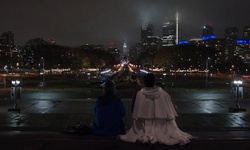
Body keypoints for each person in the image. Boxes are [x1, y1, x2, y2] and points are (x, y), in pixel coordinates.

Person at [119, 73, 193, 145]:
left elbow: (134, 110)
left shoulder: (139, 94)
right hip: (162, 124)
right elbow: (171, 108)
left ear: (144, 82)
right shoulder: (164, 94)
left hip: (144, 125)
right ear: (154, 82)